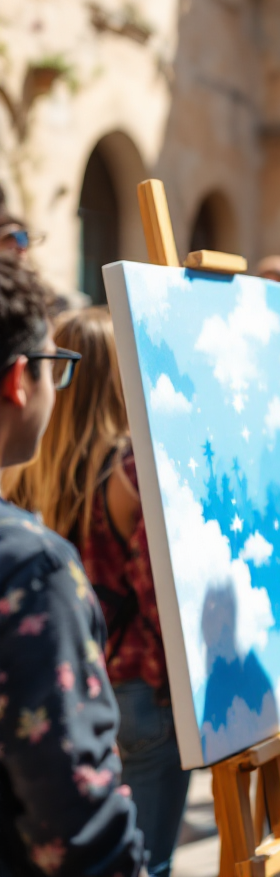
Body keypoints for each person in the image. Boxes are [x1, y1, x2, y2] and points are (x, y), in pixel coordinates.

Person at [2, 308, 190, 875]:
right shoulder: (132, 468)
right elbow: (161, 600)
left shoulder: (25, 467)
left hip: (54, 688)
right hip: (139, 689)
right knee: (139, 860)